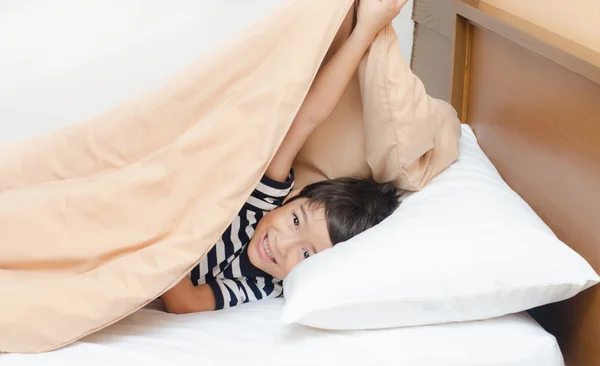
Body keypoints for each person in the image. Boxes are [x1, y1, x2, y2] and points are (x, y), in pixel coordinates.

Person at [160, 0, 407, 314]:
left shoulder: (262, 283)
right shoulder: (261, 202)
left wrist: (164, 234)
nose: (282, 243)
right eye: (294, 220)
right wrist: (365, 30)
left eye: (306, 255)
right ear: (291, 198)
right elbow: (307, 118)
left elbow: (187, 303)